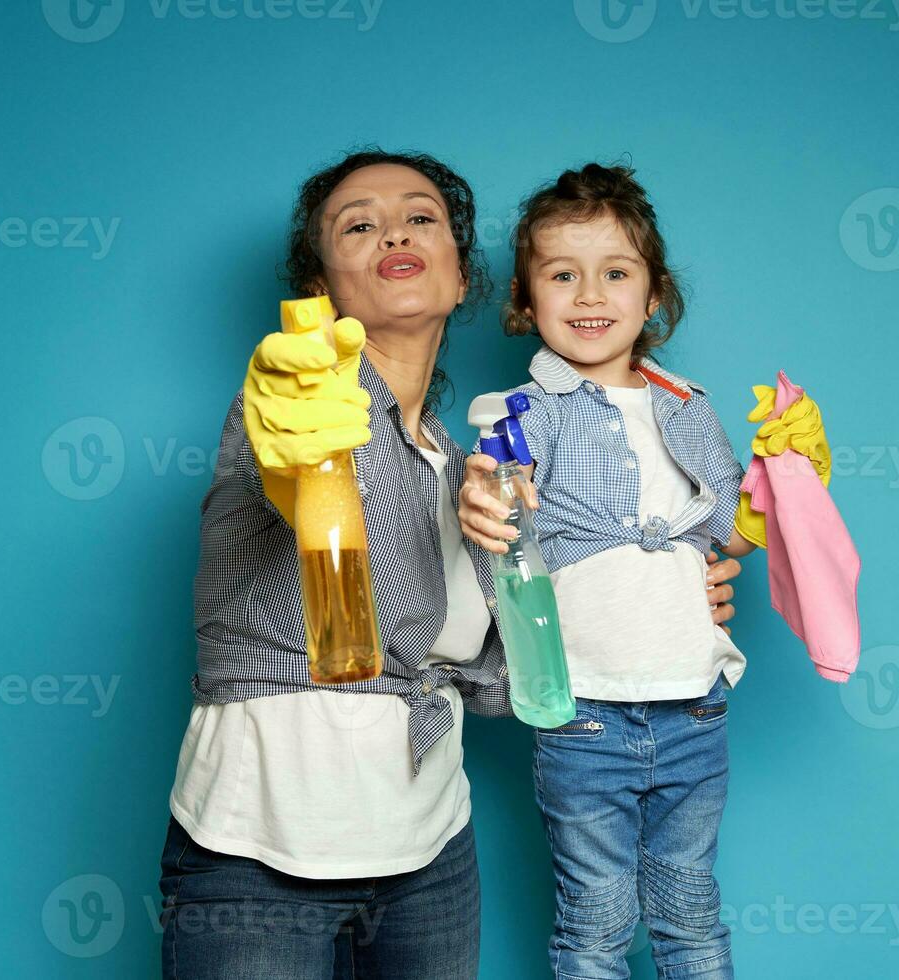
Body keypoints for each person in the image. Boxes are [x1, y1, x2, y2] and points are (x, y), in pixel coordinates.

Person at [158, 149, 744, 980]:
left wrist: (668, 597)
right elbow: (306, 480)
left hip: (429, 856)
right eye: (358, 224)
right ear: (319, 290)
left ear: (462, 278)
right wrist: (292, 427)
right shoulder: (292, 405)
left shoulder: (464, 464)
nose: (393, 229)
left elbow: (517, 667)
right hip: (261, 848)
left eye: (419, 217)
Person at [457, 162, 831, 980]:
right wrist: (489, 484)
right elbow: (500, 527)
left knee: (691, 910)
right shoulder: (522, 414)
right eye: (562, 275)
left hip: (695, 704)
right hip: (583, 709)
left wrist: (788, 473)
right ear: (525, 300)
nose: (590, 294)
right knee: (595, 918)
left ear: (653, 294)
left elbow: (730, 533)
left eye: (615, 273)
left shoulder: (687, 404)